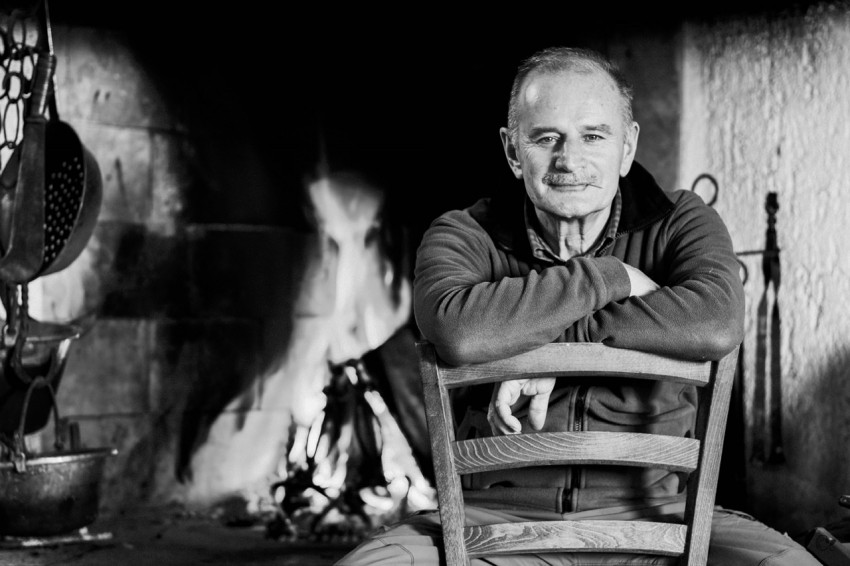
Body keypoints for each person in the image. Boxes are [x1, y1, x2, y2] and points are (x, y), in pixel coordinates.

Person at [335, 46, 818, 565]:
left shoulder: (681, 222)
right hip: (490, 525)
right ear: (513, 151)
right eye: (546, 138)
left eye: (594, 136)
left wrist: (556, 340)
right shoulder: (464, 234)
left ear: (627, 148)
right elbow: (459, 332)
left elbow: (716, 320)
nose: (569, 160)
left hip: (662, 517)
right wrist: (612, 277)